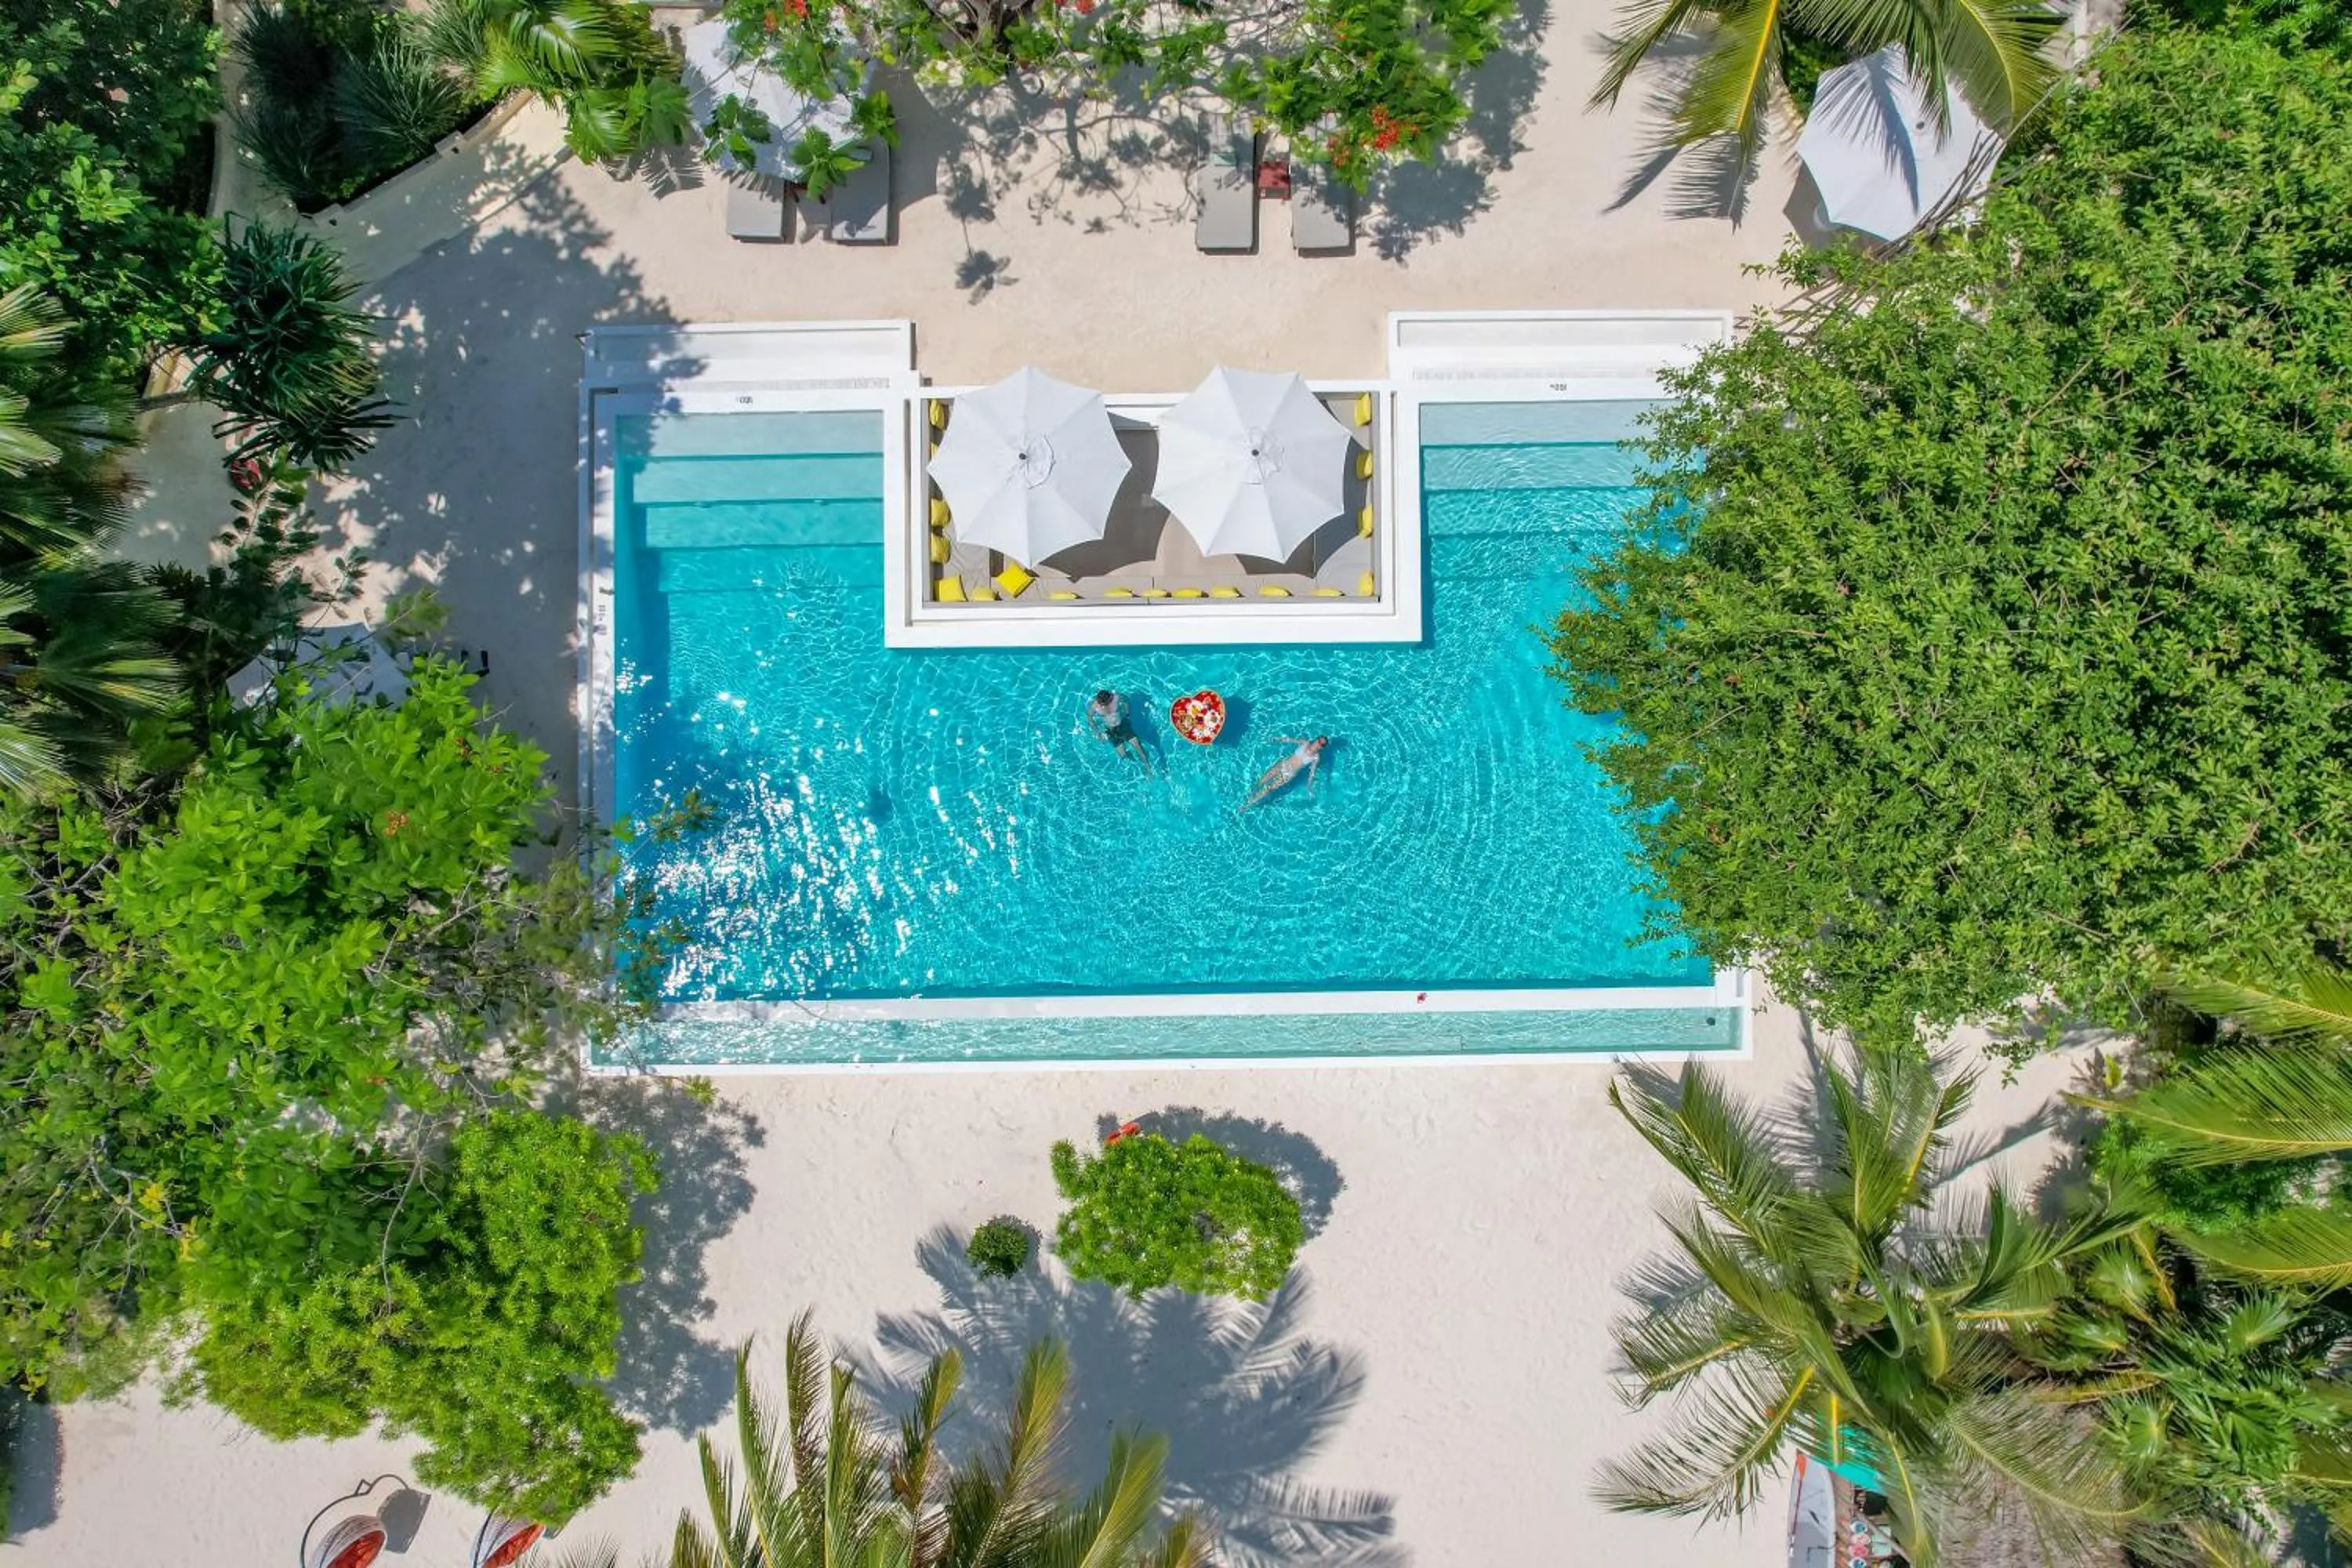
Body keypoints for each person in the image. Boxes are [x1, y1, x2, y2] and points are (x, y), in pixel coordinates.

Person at [1242, 735, 1327, 811]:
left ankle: (1247, 805)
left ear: (1322, 748)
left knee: (1268, 789)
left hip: (1287, 775)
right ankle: (1251, 794)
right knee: (1263, 779)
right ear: (1316, 739)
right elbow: (1290, 740)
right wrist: (1275, 739)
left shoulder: (1316, 758)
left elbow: (1312, 773)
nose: (1318, 744)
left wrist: (1309, 787)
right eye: (1319, 741)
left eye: (1322, 744)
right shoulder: (1305, 743)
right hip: (1282, 764)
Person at [1084, 688, 1149, 771]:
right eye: (1102, 703)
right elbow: (1090, 718)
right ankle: (1136, 764)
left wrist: (1127, 714)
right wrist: (1096, 732)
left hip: (1123, 725)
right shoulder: (1095, 706)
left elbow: (1126, 701)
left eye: (1107, 702)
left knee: (1138, 747)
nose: (1104, 705)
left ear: (1110, 698)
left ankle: (1148, 768)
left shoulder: (1116, 698)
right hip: (1110, 730)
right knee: (1123, 755)